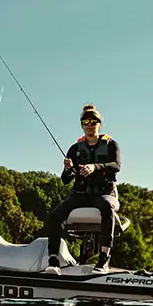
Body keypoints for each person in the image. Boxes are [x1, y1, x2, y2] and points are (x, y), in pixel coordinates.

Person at [45, 104, 121, 274]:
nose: (89, 124)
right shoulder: (75, 149)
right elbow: (65, 180)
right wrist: (67, 169)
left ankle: (103, 259)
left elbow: (116, 166)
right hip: (80, 195)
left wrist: (95, 166)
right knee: (55, 216)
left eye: (93, 121)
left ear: (99, 123)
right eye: (86, 121)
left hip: (103, 193)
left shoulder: (110, 145)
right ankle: (53, 259)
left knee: (106, 207)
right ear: (82, 125)